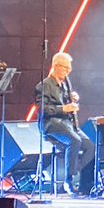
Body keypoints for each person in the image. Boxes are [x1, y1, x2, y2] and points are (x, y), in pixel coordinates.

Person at [36, 52, 95, 196]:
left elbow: (67, 99)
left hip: (68, 123)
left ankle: (84, 183)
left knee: (91, 146)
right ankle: (69, 180)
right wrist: (63, 108)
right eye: (65, 68)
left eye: (69, 69)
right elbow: (42, 109)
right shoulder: (44, 85)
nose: (68, 71)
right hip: (52, 124)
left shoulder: (66, 83)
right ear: (56, 66)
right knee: (74, 140)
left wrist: (73, 97)